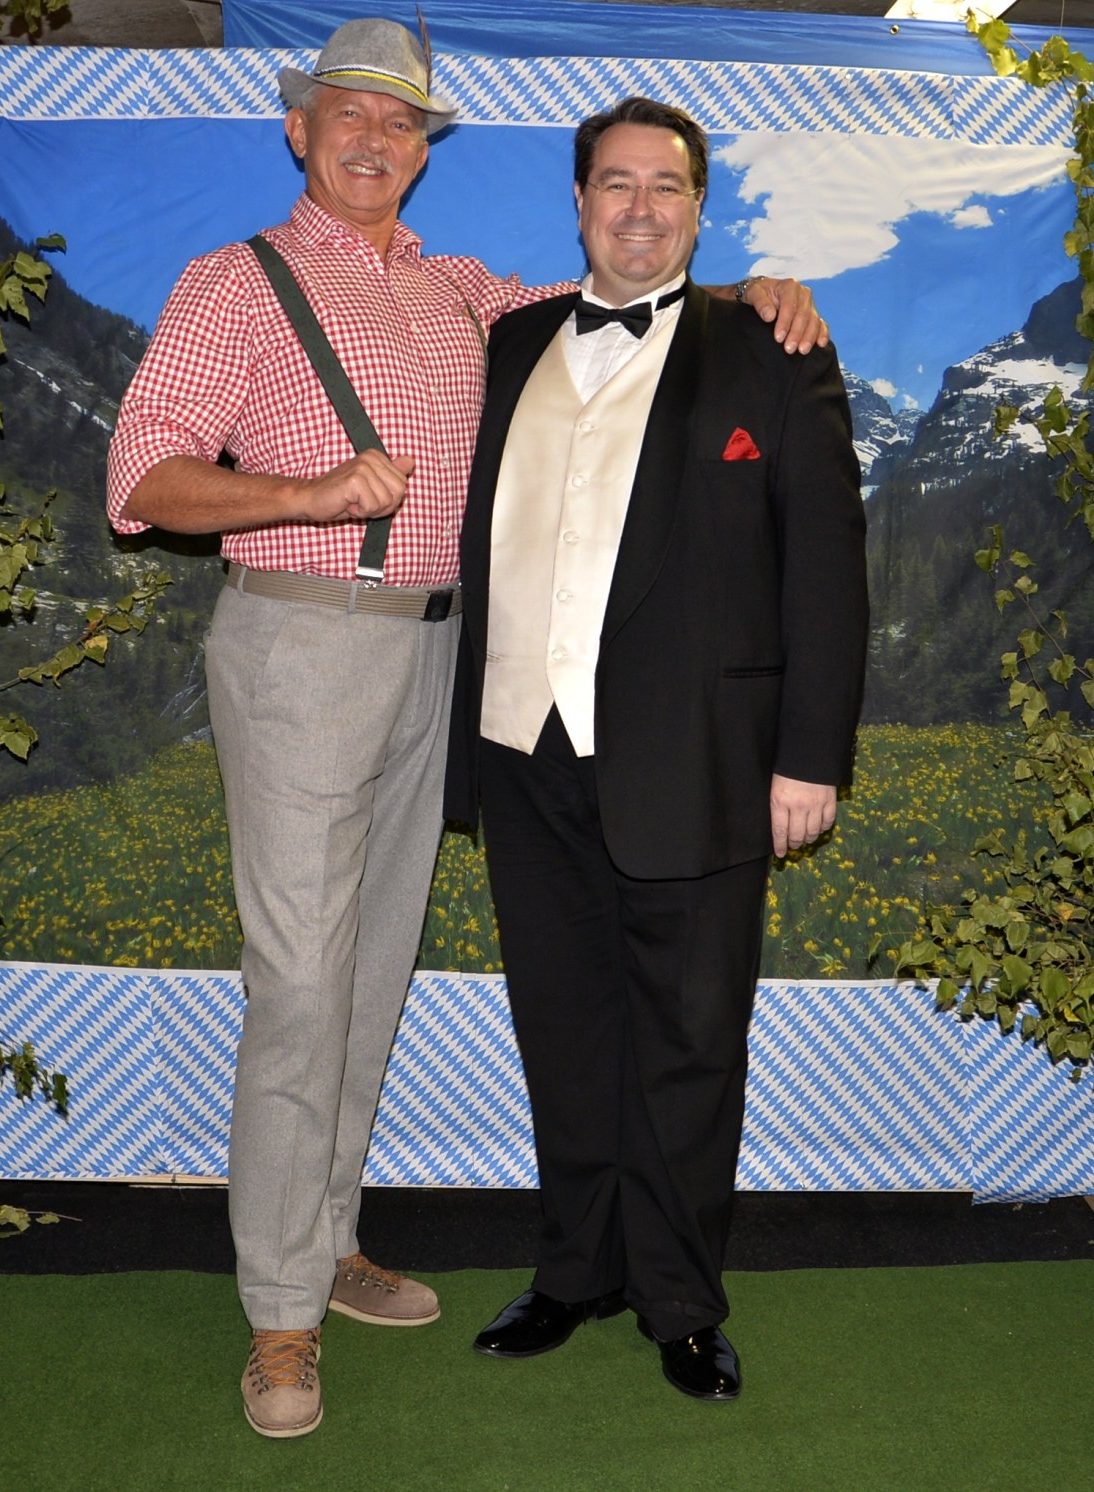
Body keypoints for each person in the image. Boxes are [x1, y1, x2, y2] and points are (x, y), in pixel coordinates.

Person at [106, 19, 828, 1439]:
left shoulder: (469, 294)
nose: (375, 139)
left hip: (449, 667)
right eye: (348, 114)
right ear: (299, 130)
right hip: (304, 644)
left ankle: (329, 1238)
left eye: (402, 122)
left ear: (427, 150)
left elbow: (629, 294)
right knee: (299, 986)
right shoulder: (230, 283)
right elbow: (141, 484)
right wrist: (307, 496)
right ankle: (281, 1313)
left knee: (370, 975)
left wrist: (756, 291)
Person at [445, 94, 868, 1402]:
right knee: (564, 1031)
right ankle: (575, 1269)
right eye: (616, 184)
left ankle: (680, 1299)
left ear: (699, 207)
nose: (640, 207)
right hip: (521, 752)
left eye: (667, 186)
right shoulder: (510, 341)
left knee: (690, 1044)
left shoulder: (774, 352)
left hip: (699, 760)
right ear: (579, 203)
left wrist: (811, 756)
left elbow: (826, 572)